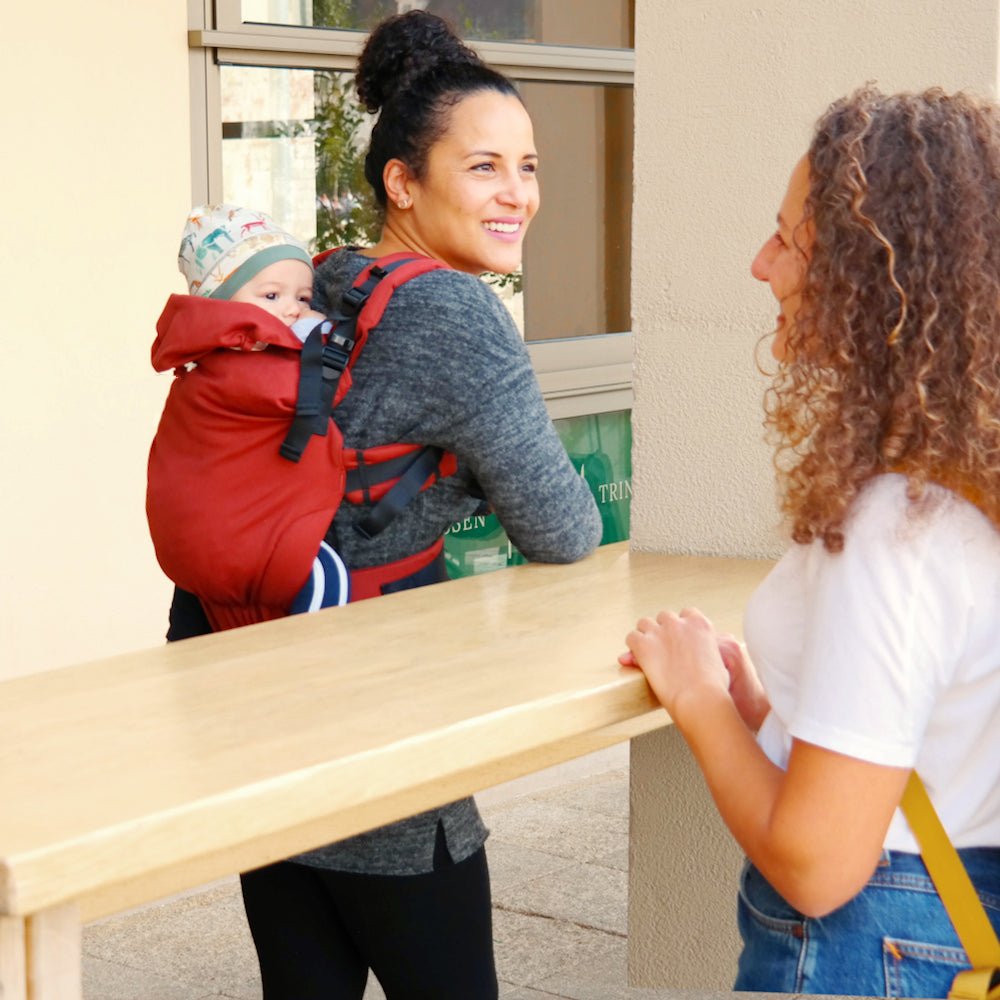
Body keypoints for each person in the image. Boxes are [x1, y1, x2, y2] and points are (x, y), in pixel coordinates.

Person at [164, 10, 602, 1000]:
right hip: (378, 739)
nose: (517, 195)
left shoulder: (328, 279)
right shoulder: (455, 315)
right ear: (402, 181)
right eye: (484, 166)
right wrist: (472, 492)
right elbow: (564, 528)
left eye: (527, 167)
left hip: (257, 718)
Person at [623, 86, 1000, 998]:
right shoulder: (964, 494)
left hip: (867, 948)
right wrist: (772, 710)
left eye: (788, 239)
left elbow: (818, 866)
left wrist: (700, 699)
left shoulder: (895, 529)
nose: (760, 265)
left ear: (872, 283)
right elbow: (935, 738)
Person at [148, 204, 351, 632]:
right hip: (245, 545)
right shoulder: (238, 361)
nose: (293, 310)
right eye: (271, 296)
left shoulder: (201, 362)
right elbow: (321, 393)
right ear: (221, 302)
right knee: (327, 578)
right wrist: (324, 339)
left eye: (303, 298)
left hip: (214, 540)